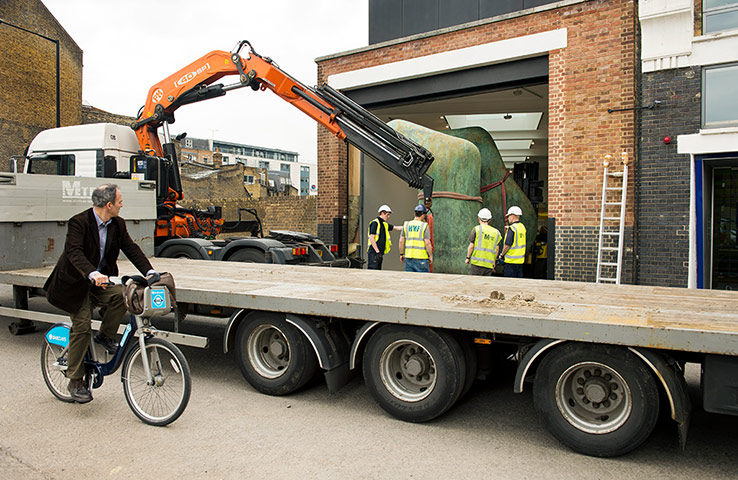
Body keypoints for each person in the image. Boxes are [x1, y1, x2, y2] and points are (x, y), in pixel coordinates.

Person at [44, 184, 156, 403]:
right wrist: (92, 273)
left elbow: (131, 248)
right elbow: (73, 252)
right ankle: (75, 380)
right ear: (109, 204)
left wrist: (150, 271)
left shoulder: (117, 224)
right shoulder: (79, 222)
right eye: (120, 202)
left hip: (98, 283)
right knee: (82, 325)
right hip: (74, 285)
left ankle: (105, 335)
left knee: (122, 295)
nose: (122, 205)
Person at [465, 207, 502, 276]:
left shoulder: (476, 229)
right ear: (489, 220)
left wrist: (468, 258)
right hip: (489, 264)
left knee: (474, 283)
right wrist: (494, 261)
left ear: (479, 218)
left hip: (477, 263)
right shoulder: (496, 232)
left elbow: (471, 246)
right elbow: (497, 249)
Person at [399, 204, 433, 272]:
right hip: (421, 258)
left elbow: (401, 241)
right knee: (423, 281)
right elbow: (427, 243)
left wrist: (401, 254)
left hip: (408, 258)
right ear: (423, 215)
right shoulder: (424, 226)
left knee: (410, 280)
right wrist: (430, 256)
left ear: (415, 213)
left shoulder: (406, 224)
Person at [367, 204, 402, 270]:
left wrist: (407, 226)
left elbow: (396, 228)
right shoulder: (375, 223)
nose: (388, 217)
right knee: (373, 272)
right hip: (374, 253)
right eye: (387, 214)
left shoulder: (384, 224)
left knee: (378, 271)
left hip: (379, 253)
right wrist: (377, 252)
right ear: (382, 213)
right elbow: (372, 238)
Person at [498, 205, 527, 278]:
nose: (508, 218)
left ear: (513, 215)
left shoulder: (512, 229)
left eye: (509, 216)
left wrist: (502, 255)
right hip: (520, 261)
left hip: (511, 262)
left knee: (510, 284)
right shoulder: (522, 227)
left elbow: (507, 245)